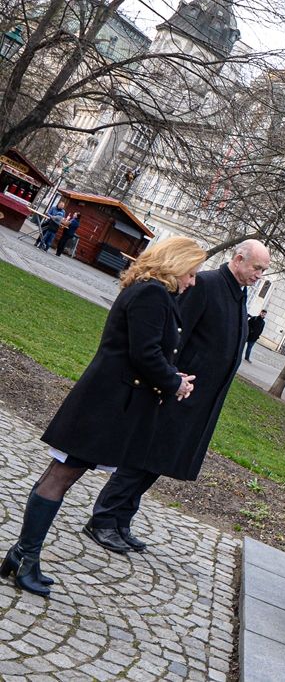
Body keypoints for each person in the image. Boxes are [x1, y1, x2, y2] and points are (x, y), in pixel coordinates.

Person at [0, 237, 205, 597]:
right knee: (60, 476)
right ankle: (26, 557)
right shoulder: (151, 294)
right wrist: (174, 382)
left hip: (107, 401)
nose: (192, 282)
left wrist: (173, 377)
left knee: (61, 475)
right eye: (191, 273)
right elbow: (144, 353)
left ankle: (21, 554)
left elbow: (149, 350)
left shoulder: (153, 292)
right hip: (104, 404)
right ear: (175, 264)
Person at [84, 239, 271, 553]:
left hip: (199, 398)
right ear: (238, 259)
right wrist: (170, 379)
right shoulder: (208, 284)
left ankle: (121, 520)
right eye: (257, 268)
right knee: (142, 457)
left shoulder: (237, 292)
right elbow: (175, 335)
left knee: (158, 461)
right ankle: (103, 519)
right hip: (177, 391)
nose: (259, 275)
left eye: (263, 270)